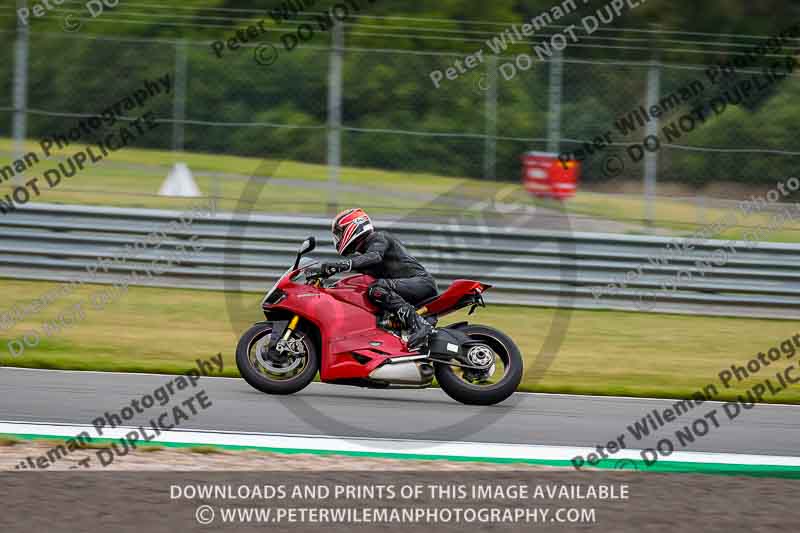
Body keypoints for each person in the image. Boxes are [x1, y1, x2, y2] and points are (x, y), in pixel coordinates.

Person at [318, 208, 437, 349]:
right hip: (409, 286)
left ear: (354, 226)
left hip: (420, 282)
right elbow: (363, 262)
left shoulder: (378, 238)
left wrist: (342, 265)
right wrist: (323, 273)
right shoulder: (365, 253)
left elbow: (374, 256)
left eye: (340, 233)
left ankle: (421, 327)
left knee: (376, 289)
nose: (338, 238)